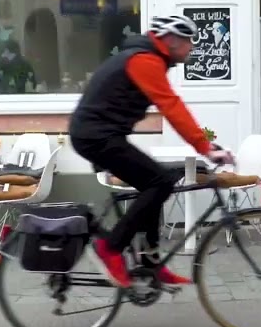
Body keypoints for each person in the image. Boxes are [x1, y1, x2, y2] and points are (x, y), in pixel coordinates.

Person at [68, 15, 233, 288]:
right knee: (159, 182)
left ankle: (150, 264)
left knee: (155, 183)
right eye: (188, 41)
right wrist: (203, 146)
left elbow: (172, 107)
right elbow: (171, 106)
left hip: (99, 135)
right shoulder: (144, 60)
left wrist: (207, 144)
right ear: (171, 40)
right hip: (95, 137)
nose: (192, 47)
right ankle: (110, 248)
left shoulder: (145, 58)